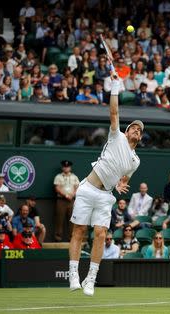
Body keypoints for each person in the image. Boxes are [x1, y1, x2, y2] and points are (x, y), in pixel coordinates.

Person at [68, 77, 144, 296]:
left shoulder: (135, 161)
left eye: (140, 130)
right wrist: (115, 88)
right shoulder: (116, 135)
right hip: (88, 188)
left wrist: (121, 185)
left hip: (105, 196)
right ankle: (74, 274)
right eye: (134, 128)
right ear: (127, 130)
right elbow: (114, 112)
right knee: (80, 231)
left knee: (100, 233)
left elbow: (126, 178)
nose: (137, 131)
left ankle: (90, 279)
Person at [54, 160, 80, 242]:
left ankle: (72, 238)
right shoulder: (58, 176)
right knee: (59, 219)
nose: (66, 168)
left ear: (70, 168)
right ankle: (58, 238)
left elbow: (77, 187)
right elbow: (57, 188)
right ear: (62, 167)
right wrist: (65, 195)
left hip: (72, 200)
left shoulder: (74, 177)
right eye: (65, 167)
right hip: (61, 200)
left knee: (72, 220)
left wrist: (72, 195)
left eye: (68, 167)